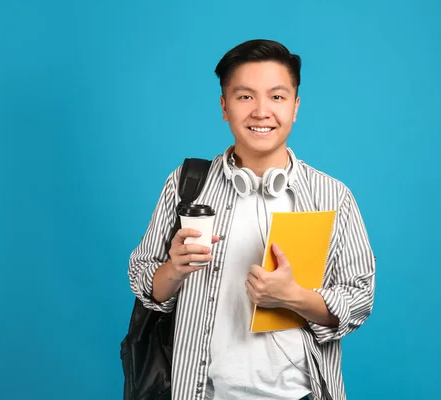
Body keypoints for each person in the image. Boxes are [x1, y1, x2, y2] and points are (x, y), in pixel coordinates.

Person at [128, 39, 376, 400]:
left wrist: (293, 297)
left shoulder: (333, 196)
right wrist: (174, 270)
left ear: (295, 106)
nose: (261, 111)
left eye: (277, 97)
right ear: (224, 106)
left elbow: (358, 299)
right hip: (201, 392)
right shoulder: (186, 186)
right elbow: (143, 278)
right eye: (245, 97)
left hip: (300, 394)